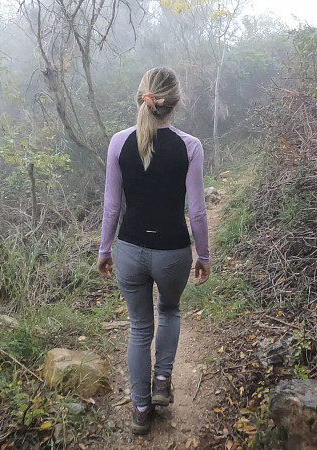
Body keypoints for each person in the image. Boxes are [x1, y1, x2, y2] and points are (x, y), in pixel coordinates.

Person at [96, 67, 211, 435]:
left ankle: (141, 408)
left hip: (129, 249)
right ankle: (162, 381)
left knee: (139, 327)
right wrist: (203, 255)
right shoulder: (190, 146)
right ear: (174, 102)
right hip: (173, 252)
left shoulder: (118, 142)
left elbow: (112, 207)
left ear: (144, 98)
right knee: (171, 310)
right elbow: (197, 210)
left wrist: (104, 249)